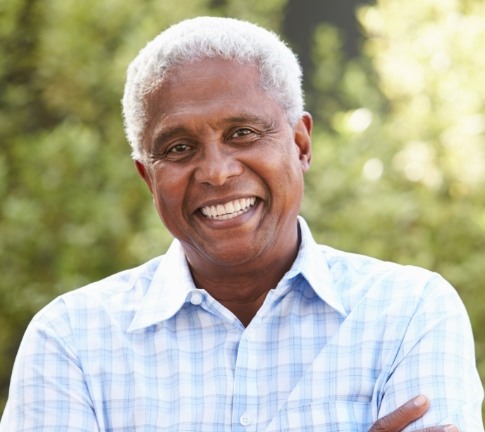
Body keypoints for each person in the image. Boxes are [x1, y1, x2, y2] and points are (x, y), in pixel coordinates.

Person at [1, 16, 483, 431]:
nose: (216, 171)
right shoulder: (71, 341)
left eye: (243, 133)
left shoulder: (409, 313)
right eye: (178, 148)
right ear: (149, 178)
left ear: (300, 144)